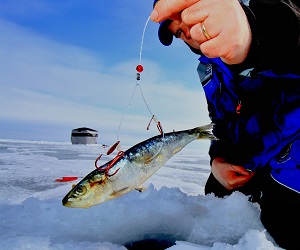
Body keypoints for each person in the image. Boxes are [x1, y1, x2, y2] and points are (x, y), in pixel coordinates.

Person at [151, 0, 300, 249]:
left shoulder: (274, 13)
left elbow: (288, 31)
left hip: (291, 175)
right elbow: (221, 121)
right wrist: (217, 160)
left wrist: (250, 35)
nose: (186, 32)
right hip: (251, 174)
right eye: (178, 32)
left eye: (186, 15)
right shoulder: (207, 69)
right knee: (214, 191)